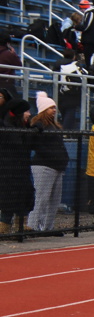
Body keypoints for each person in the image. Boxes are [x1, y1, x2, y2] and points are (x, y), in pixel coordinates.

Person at [27, 92, 69, 235]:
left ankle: (47, 227)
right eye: (51, 107)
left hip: (57, 165)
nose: (54, 110)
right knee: (42, 197)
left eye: (55, 107)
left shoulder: (53, 126)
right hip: (44, 165)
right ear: (44, 109)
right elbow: (33, 143)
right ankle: (32, 226)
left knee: (54, 199)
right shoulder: (38, 124)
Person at [0, 96, 35, 234]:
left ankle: (21, 226)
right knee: (9, 198)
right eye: (26, 111)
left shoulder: (23, 127)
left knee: (25, 195)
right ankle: (4, 227)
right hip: (9, 171)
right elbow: (18, 144)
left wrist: (32, 129)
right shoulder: (7, 128)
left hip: (22, 170)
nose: (29, 114)